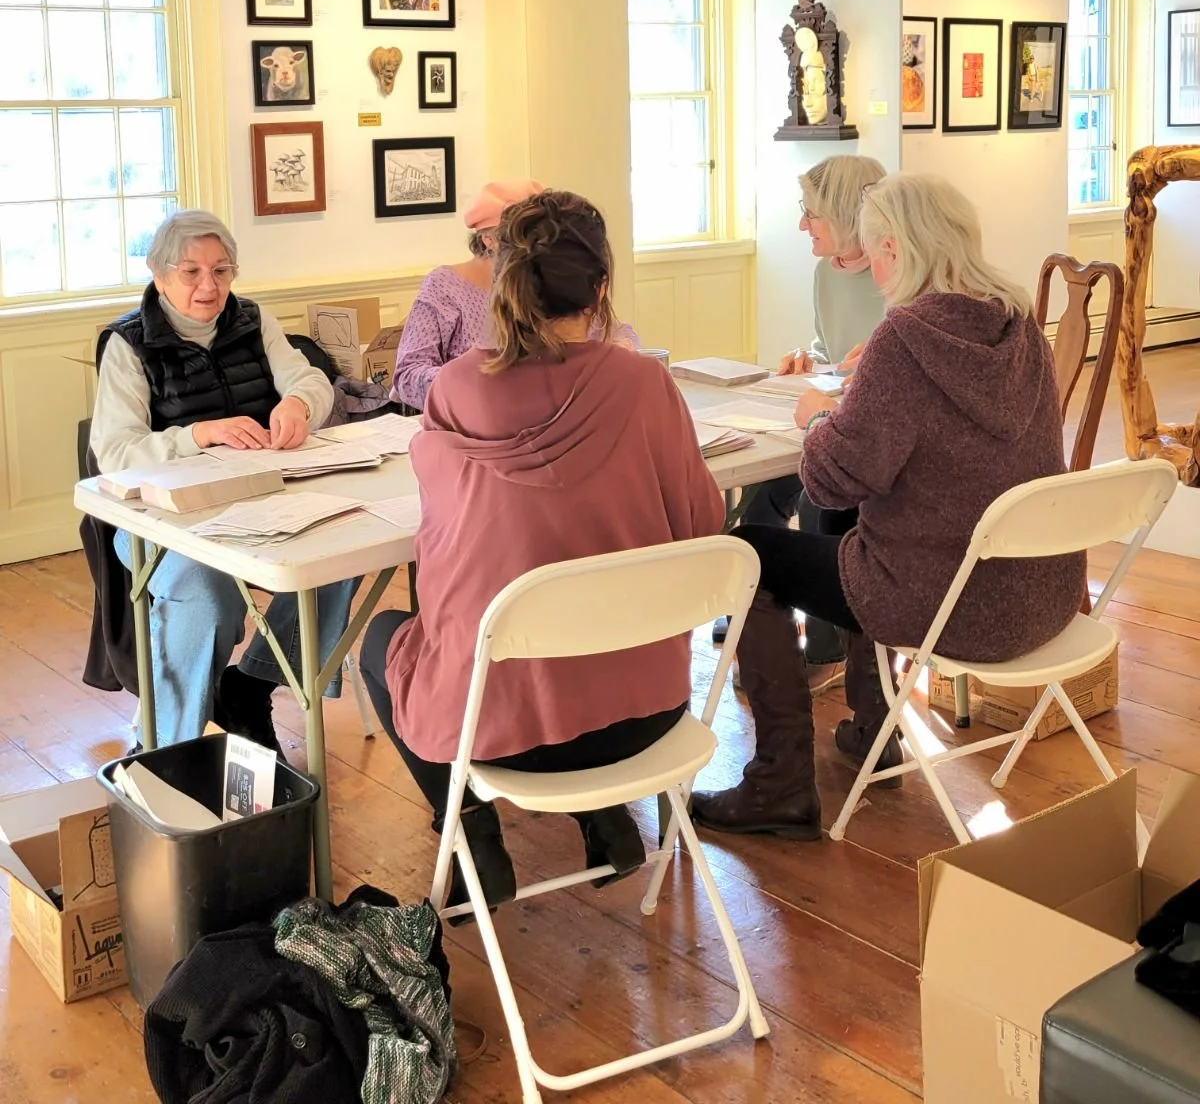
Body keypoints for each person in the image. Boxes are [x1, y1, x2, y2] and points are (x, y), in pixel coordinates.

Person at [692, 172, 1086, 840]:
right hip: (1042, 595)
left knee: (750, 553)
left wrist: (820, 419)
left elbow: (831, 481)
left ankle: (780, 781)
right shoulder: (1021, 327)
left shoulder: (903, 339)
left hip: (949, 605)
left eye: (876, 250)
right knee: (857, 528)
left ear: (900, 249)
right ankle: (874, 728)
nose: (870, 267)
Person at [360, 190, 724, 910]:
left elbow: (443, 559)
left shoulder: (460, 388)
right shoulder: (646, 382)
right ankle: (607, 819)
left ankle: (472, 834)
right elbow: (703, 525)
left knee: (383, 640)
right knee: (567, 624)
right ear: (601, 286)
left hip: (503, 734)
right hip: (649, 716)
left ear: (502, 282)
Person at [87, 210, 358, 750]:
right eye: (190, 272)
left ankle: (250, 686)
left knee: (339, 560)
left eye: (222, 270)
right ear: (158, 273)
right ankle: (167, 746)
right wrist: (200, 434)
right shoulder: (127, 343)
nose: (209, 286)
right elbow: (115, 452)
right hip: (163, 520)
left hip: (259, 501)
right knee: (208, 593)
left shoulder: (254, 320)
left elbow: (309, 378)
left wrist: (301, 405)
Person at [721, 155, 887, 664]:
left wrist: (867, 363)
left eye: (810, 212)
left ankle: (826, 644)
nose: (801, 224)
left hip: (867, 431)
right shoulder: (825, 272)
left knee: (820, 494)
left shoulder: (897, 273)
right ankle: (754, 616)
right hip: (829, 414)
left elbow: (890, 361)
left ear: (842, 212)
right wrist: (808, 356)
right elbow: (830, 346)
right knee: (763, 494)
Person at [391, 177, 639, 411]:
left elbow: (614, 331)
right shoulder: (445, 287)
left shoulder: (550, 280)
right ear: (488, 240)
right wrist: (477, 384)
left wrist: (621, 350)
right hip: (474, 425)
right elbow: (408, 374)